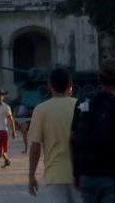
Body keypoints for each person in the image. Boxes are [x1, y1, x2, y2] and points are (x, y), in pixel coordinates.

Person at [71, 58, 115, 203]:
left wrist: (76, 172)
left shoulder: (83, 102)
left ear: (99, 78)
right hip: (110, 173)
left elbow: (73, 139)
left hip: (86, 172)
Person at [28, 67, 78, 203]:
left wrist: (31, 175)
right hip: (80, 174)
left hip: (55, 175)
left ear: (49, 86)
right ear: (70, 85)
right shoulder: (80, 106)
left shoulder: (41, 110)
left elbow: (35, 148)